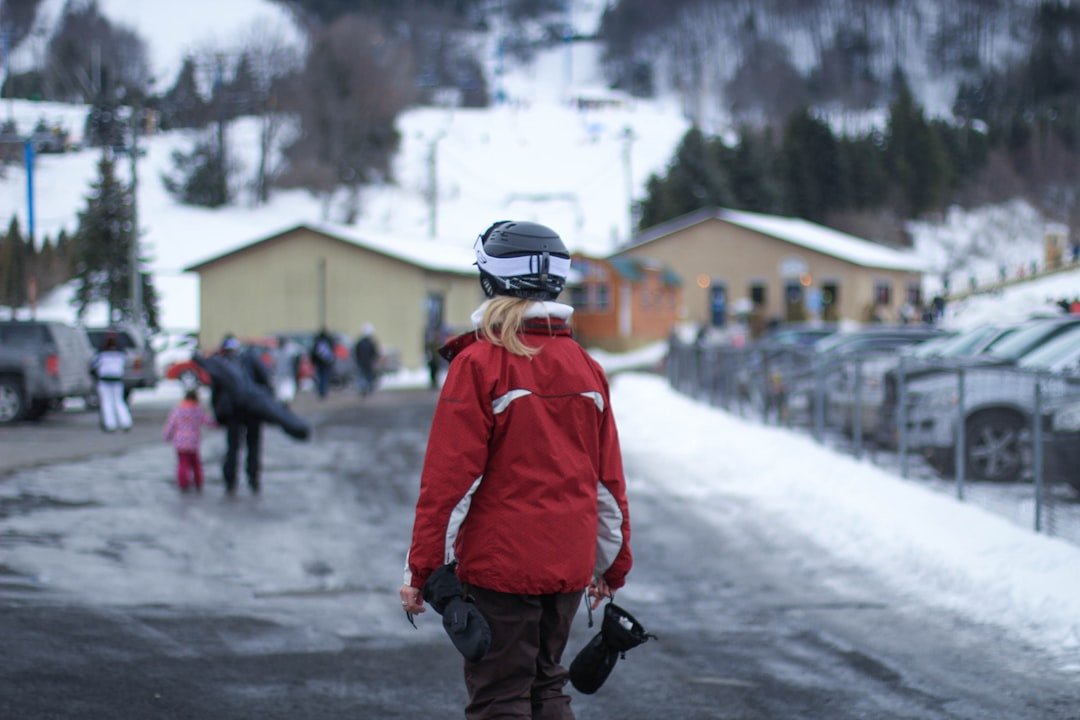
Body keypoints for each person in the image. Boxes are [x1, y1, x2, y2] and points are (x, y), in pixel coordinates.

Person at [400, 220, 633, 720]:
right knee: (547, 685)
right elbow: (606, 482)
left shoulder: (480, 363)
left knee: (500, 697)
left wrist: (422, 570)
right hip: (567, 568)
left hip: (499, 568)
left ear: (491, 279)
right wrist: (611, 564)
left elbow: (449, 483)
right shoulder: (585, 366)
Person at [208, 335, 271, 494]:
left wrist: (218, 414)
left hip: (233, 413)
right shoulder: (250, 359)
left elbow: (215, 392)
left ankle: (230, 481)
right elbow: (266, 381)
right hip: (252, 410)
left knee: (233, 447)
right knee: (253, 446)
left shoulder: (222, 364)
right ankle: (253, 479)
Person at [162, 388, 217, 492]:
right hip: (193, 442)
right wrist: (217, 423)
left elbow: (171, 424)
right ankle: (198, 481)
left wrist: (166, 436)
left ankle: (183, 482)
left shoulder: (178, 410)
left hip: (180, 441)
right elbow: (207, 421)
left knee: (182, 463)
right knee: (196, 464)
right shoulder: (197, 410)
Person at [89, 334, 132, 432]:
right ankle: (126, 422)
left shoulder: (101, 355)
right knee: (119, 401)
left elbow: (92, 365)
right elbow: (126, 365)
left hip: (104, 380)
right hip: (117, 381)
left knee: (107, 402)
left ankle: (110, 425)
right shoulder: (121, 355)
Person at [353, 324, 380, 396]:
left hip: (361, 362)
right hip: (368, 362)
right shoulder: (371, 343)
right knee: (369, 375)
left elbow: (356, 352)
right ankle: (368, 387)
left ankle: (364, 388)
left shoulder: (360, 343)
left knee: (362, 375)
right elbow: (374, 352)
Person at [311, 327, 336, 399]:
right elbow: (332, 351)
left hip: (319, 363)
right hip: (326, 362)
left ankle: (321, 391)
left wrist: (313, 361)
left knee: (320, 377)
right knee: (325, 377)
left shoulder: (317, 341)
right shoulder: (328, 341)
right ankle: (324, 391)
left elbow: (313, 352)